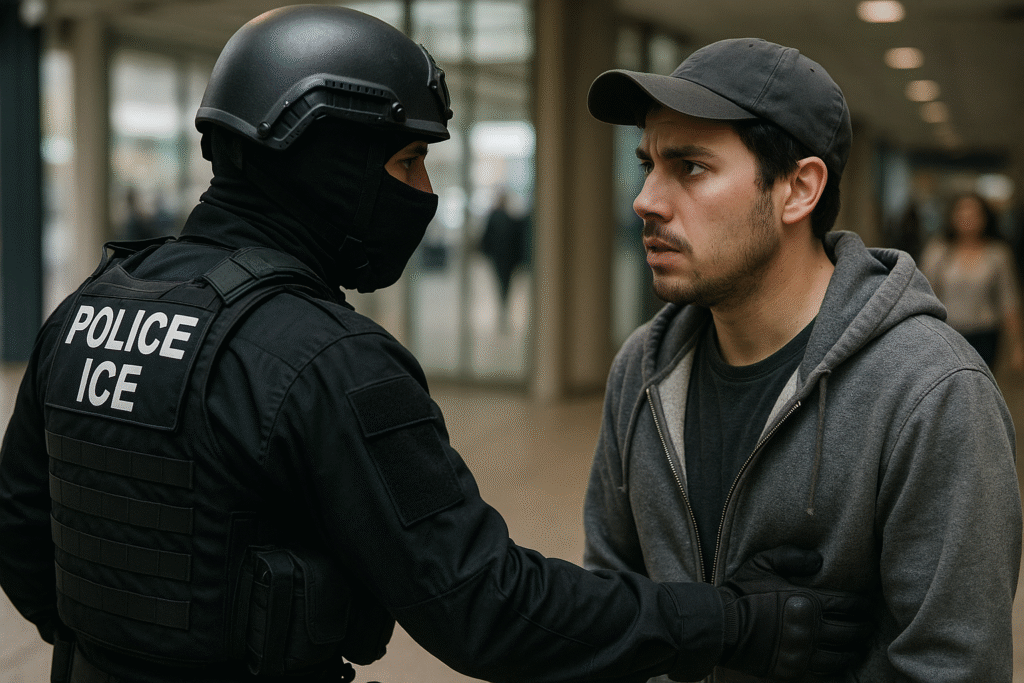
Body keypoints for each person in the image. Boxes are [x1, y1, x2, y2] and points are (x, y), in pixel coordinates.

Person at [0, 10, 870, 683]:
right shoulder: (328, 361)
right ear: (324, 158)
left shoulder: (88, 307)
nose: (424, 194)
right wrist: (734, 622)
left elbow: (22, 543)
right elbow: (490, 606)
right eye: (408, 164)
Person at [584, 38, 1022, 683]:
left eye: (691, 167)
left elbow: (953, 666)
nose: (646, 199)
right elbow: (608, 603)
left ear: (798, 189)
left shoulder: (931, 392)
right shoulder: (644, 369)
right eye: (648, 163)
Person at [919, 191, 1024, 370]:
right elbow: (922, 295)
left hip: (985, 334)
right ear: (952, 216)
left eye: (974, 214)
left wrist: (1017, 344)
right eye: (962, 213)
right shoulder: (938, 251)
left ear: (985, 218)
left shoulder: (997, 253)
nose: (967, 219)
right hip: (946, 332)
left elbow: (1008, 300)